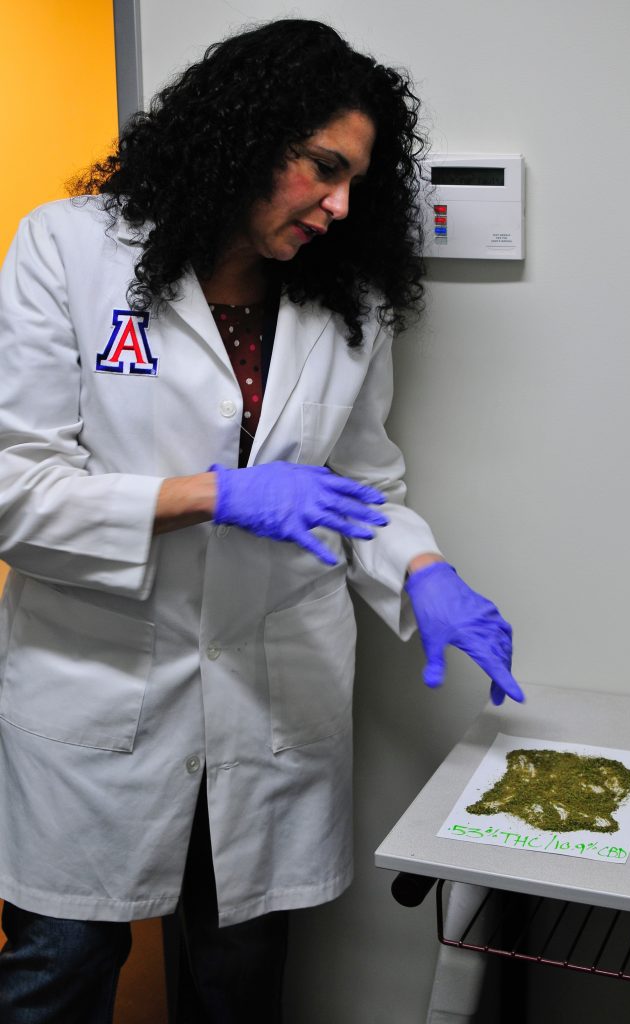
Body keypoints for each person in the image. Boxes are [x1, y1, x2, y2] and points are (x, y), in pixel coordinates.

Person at [0, 18, 524, 1023]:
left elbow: (362, 483)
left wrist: (422, 571)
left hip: (267, 697)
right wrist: (212, 492)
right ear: (241, 137)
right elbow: (14, 487)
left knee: (236, 985)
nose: (336, 207)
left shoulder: (347, 304)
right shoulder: (67, 250)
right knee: (55, 974)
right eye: (321, 169)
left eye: (352, 186)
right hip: (95, 695)